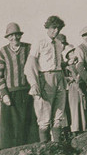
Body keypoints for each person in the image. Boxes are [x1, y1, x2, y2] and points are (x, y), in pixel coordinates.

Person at [25, 15, 67, 143]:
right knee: (44, 114)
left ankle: (57, 145)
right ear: (48, 28)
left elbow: (59, 63)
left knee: (59, 113)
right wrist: (34, 83)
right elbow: (30, 64)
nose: (56, 31)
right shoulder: (40, 42)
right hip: (45, 78)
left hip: (59, 77)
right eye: (53, 28)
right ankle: (44, 147)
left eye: (58, 28)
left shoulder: (59, 44)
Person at [0, 22, 38, 149]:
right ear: (7, 38)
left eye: (17, 35)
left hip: (27, 92)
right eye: (11, 36)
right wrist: (4, 94)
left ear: (20, 35)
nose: (14, 38)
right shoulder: (3, 52)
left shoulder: (28, 48)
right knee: (11, 127)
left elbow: (37, 66)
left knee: (29, 124)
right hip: (10, 93)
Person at [63, 44, 87, 135]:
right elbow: (64, 77)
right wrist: (70, 79)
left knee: (80, 105)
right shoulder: (67, 67)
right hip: (72, 87)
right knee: (74, 107)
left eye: (73, 51)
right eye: (71, 52)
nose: (73, 53)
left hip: (78, 86)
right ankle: (75, 128)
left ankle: (81, 127)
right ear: (68, 56)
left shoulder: (78, 64)